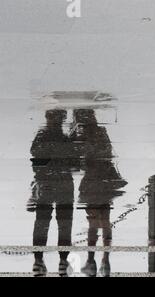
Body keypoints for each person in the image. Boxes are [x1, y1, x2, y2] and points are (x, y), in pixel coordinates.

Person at [70, 109, 127, 277]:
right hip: (106, 179)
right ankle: (105, 259)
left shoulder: (83, 135)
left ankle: (91, 260)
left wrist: (74, 131)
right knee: (105, 218)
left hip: (92, 183)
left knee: (93, 221)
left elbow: (76, 156)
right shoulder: (101, 131)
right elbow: (107, 152)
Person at [28, 109, 78, 277]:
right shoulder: (65, 137)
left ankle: (38, 260)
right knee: (64, 224)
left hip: (47, 184)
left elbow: (34, 155)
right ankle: (62, 261)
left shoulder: (42, 136)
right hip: (63, 184)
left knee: (42, 223)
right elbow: (74, 159)